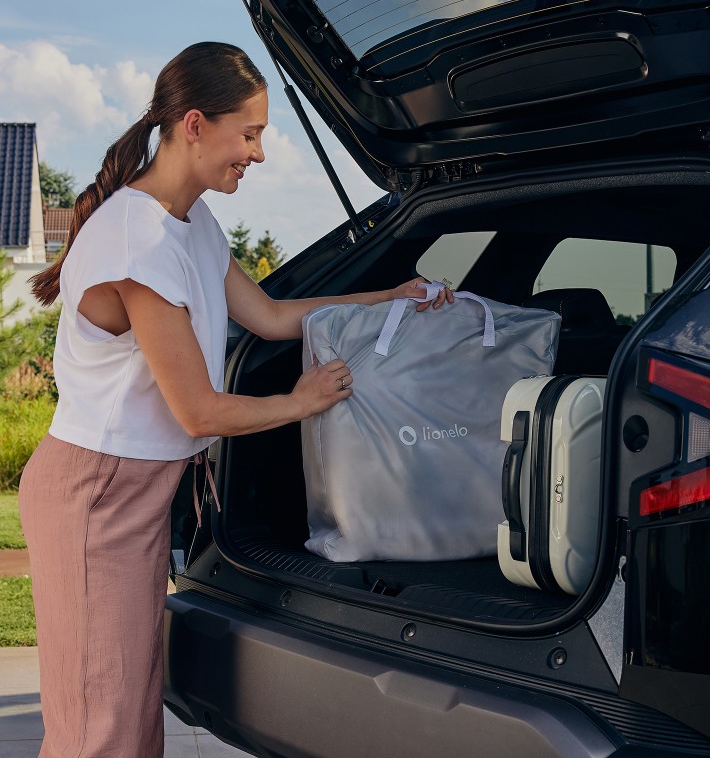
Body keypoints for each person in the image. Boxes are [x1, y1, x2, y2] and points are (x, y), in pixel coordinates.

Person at [18, 41, 452, 758]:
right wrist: (304, 399)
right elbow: (199, 411)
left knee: (128, 717)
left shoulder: (190, 227)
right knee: (99, 730)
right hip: (95, 496)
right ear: (194, 125)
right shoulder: (138, 242)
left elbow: (273, 317)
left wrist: (389, 298)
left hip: (130, 492)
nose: (255, 153)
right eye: (248, 134)